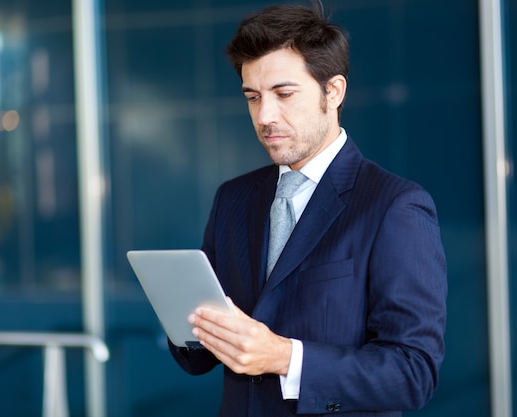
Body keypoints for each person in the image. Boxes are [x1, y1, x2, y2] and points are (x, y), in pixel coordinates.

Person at [168, 3, 447, 416]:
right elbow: (198, 358)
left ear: (333, 92)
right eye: (253, 97)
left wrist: (284, 357)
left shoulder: (394, 206)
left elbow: (413, 373)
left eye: (283, 94)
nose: (265, 116)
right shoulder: (233, 198)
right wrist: (184, 317)